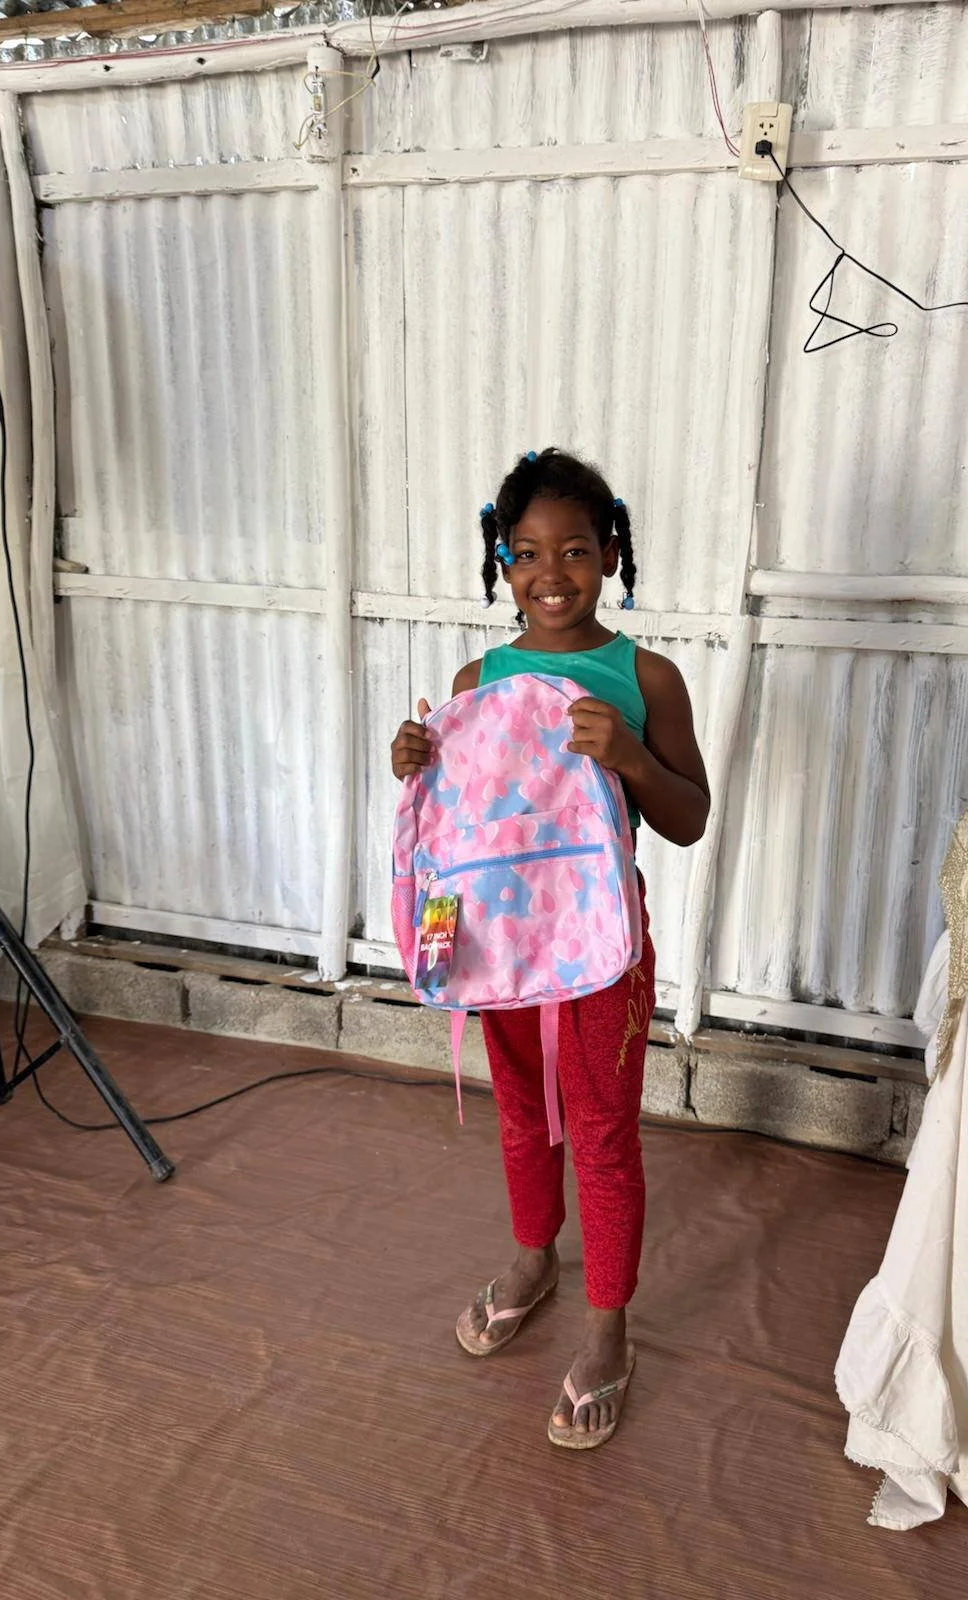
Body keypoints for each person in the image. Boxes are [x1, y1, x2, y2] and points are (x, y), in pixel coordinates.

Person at [390, 448, 709, 1449]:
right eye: (526, 553)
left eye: (575, 548)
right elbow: (459, 821)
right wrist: (413, 764)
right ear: (501, 561)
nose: (552, 573)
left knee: (603, 1130)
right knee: (523, 1113)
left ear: (612, 551)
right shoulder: (475, 680)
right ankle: (534, 1259)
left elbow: (690, 816)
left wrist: (631, 754)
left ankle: (609, 1326)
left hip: (601, 950)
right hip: (497, 944)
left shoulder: (644, 674)